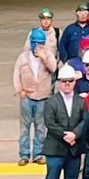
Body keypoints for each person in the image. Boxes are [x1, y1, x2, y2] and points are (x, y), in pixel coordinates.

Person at [41, 63, 86, 179]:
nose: (67, 84)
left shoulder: (81, 102)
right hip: (55, 148)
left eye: (70, 81)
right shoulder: (51, 101)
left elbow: (84, 120)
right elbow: (49, 122)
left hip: (73, 148)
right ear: (59, 82)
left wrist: (75, 134)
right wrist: (65, 135)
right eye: (64, 81)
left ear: (74, 82)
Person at [12, 26, 57, 163]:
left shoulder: (48, 55)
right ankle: (24, 154)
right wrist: (19, 90)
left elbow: (54, 68)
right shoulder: (23, 57)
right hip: (27, 96)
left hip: (42, 97)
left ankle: (38, 153)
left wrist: (44, 58)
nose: (38, 46)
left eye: (41, 43)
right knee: (25, 128)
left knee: (40, 127)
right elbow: (16, 74)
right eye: (36, 42)